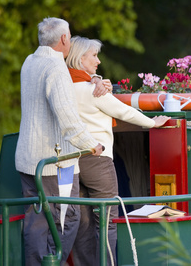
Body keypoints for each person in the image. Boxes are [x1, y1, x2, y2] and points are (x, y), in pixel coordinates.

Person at [65, 35, 170, 265]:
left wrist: (96, 79)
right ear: (80, 57)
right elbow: (123, 111)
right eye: (94, 55)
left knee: (82, 223)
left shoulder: (65, 88)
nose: (98, 61)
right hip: (98, 160)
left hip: (71, 161)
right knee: (107, 220)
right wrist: (153, 122)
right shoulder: (93, 91)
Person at [15, 17, 107, 265]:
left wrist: (95, 79)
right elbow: (67, 118)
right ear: (64, 39)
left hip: (27, 159)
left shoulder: (30, 61)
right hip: (54, 162)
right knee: (68, 217)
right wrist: (91, 144)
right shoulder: (56, 69)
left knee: (36, 222)